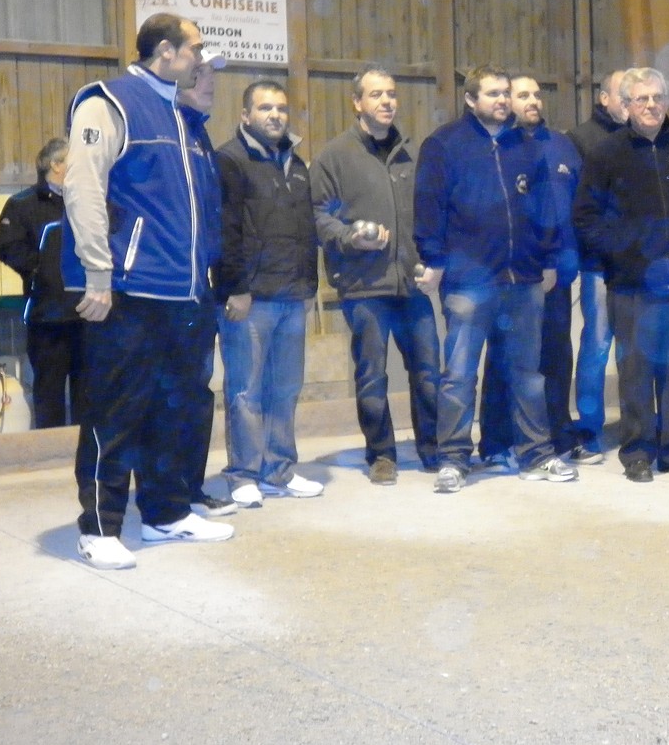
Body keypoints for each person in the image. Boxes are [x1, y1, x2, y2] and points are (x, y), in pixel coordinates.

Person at [63, 12, 232, 571]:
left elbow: (205, 213)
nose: (202, 61)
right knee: (116, 410)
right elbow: (82, 187)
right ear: (166, 52)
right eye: (196, 50)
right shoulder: (108, 102)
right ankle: (99, 526)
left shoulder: (186, 118)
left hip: (187, 297)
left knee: (175, 409)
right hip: (132, 291)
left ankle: (165, 513)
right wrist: (98, 273)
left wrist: (213, 281)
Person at [414, 63, 578, 493]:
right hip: (470, 282)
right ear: (470, 100)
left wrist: (546, 258)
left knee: (528, 373)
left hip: (523, 279)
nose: (503, 101)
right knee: (460, 375)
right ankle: (452, 458)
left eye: (506, 93)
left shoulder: (525, 146)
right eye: (492, 94)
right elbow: (428, 206)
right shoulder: (444, 145)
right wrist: (433, 257)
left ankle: (536, 454)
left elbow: (545, 208)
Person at [574, 66, 669, 483]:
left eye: (657, 98)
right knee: (637, 370)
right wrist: (624, 252)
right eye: (641, 99)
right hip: (631, 285)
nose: (650, 106)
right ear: (625, 105)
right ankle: (638, 452)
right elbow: (585, 218)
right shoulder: (607, 153)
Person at [311, 65, 440, 486]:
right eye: (376, 95)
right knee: (372, 374)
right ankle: (381, 455)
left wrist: (433, 263)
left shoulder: (410, 154)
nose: (387, 101)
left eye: (391, 94)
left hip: (412, 284)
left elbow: (430, 213)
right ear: (357, 103)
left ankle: (432, 448)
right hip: (364, 287)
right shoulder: (335, 156)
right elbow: (317, 217)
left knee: (427, 371)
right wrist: (350, 238)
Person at [478, 76, 597, 464]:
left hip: (557, 273)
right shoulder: (499, 147)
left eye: (536, 94)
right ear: (507, 101)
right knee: (503, 359)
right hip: (512, 275)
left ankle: (560, 437)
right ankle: (496, 442)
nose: (532, 101)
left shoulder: (562, 145)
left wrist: (568, 258)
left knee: (557, 358)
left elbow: (580, 207)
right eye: (522, 94)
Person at [216, 79, 323, 507]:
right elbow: (227, 230)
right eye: (265, 108)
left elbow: (306, 230)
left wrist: (310, 286)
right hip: (251, 299)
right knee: (245, 390)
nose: (275, 115)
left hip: (292, 296)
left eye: (280, 107)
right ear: (246, 115)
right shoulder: (230, 161)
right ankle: (242, 474)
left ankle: (279, 469)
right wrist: (236, 288)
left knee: (285, 389)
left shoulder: (297, 164)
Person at [175, 51, 237, 519]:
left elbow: (216, 221)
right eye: (200, 74)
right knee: (169, 396)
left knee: (198, 394)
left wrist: (225, 281)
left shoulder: (200, 136)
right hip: (167, 293)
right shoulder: (168, 133)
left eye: (213, 75)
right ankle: (168, 495)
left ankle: (190, 489)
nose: (210, 83)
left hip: (200, 292)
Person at [0, 136, 83, 429]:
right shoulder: (22, 205)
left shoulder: (87, 201)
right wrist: (40, 270)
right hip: (48, 317)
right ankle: (52, 459)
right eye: (74, 159)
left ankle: (88, 457)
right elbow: (7, 247)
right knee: (49, 392)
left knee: (90, 392)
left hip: (88, 314)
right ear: (56, 165)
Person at [566, 69, 627, 454]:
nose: (632, 100)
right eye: (625, 93)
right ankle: (589, 426)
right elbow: (581, 208)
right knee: (597, 345)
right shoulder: (580, 140)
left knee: (634, 348)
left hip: (639, 265)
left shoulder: (642, 138)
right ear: (604, 98)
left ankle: (635, 422)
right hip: (599, 265)